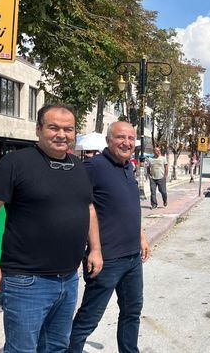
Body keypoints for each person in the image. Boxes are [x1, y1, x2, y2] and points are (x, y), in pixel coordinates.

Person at [0, 103, 103, 352]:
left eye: (68, 129)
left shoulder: (78, 167)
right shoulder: (15, 163)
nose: (62, 134)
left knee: (56, 346)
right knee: (22, 349)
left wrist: (95, 248)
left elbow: (88, 209)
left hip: (68, 278)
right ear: (38, 129)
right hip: (26, 282)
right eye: (53, 127)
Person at [69, 121, 150, 353]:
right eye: (120, 137)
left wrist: (141, 236)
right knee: (89, 318)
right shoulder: (93, 167)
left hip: (132, 258)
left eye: (131, 139)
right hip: (107, 258)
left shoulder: (129, 167)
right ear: (108, 140)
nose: (126, 143)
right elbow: (82, 207)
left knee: (132, 312)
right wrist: (93, 249)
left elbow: (130, 207)